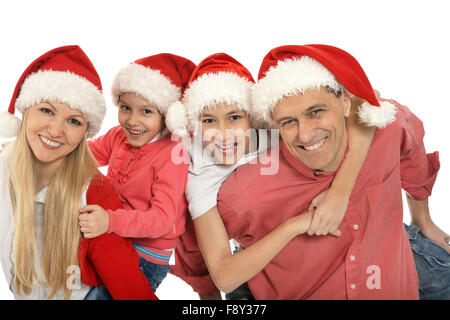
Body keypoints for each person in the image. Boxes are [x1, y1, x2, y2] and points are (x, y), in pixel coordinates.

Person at [208, 44, 444, 299]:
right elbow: (212, 261)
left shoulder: (387, 127)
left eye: (316, 112)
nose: (306, 134)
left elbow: (413, 154)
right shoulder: (244, 193)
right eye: (288, 122)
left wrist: (423, 220)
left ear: (345, 102)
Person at [165, 52, 381, 299]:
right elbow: (224, 277)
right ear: (195, 124)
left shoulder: (274, 133)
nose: (223, 134)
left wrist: (340, 192)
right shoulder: (199, 174)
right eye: (209, 120)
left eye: (234, 117)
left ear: (252, 118)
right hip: (233, 256)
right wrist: (295, 225)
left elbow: (369, 98)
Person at [0, 45, 157, 300]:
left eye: (73, 121)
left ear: (86, 131)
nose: (55, 131)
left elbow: (129, 286)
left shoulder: (92, 191)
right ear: (26, 110)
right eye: (47, 110)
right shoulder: (5, 166)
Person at [82, 53, 195, 297]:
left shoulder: (172, 154)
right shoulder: (118, 137)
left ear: (167, 115)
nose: (133, 120)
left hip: (146, 255)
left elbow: (162, 220)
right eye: (125, 108)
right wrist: (27, 150)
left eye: (146, 111)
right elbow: (82, 155)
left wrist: (110, 221)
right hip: (113, 239)